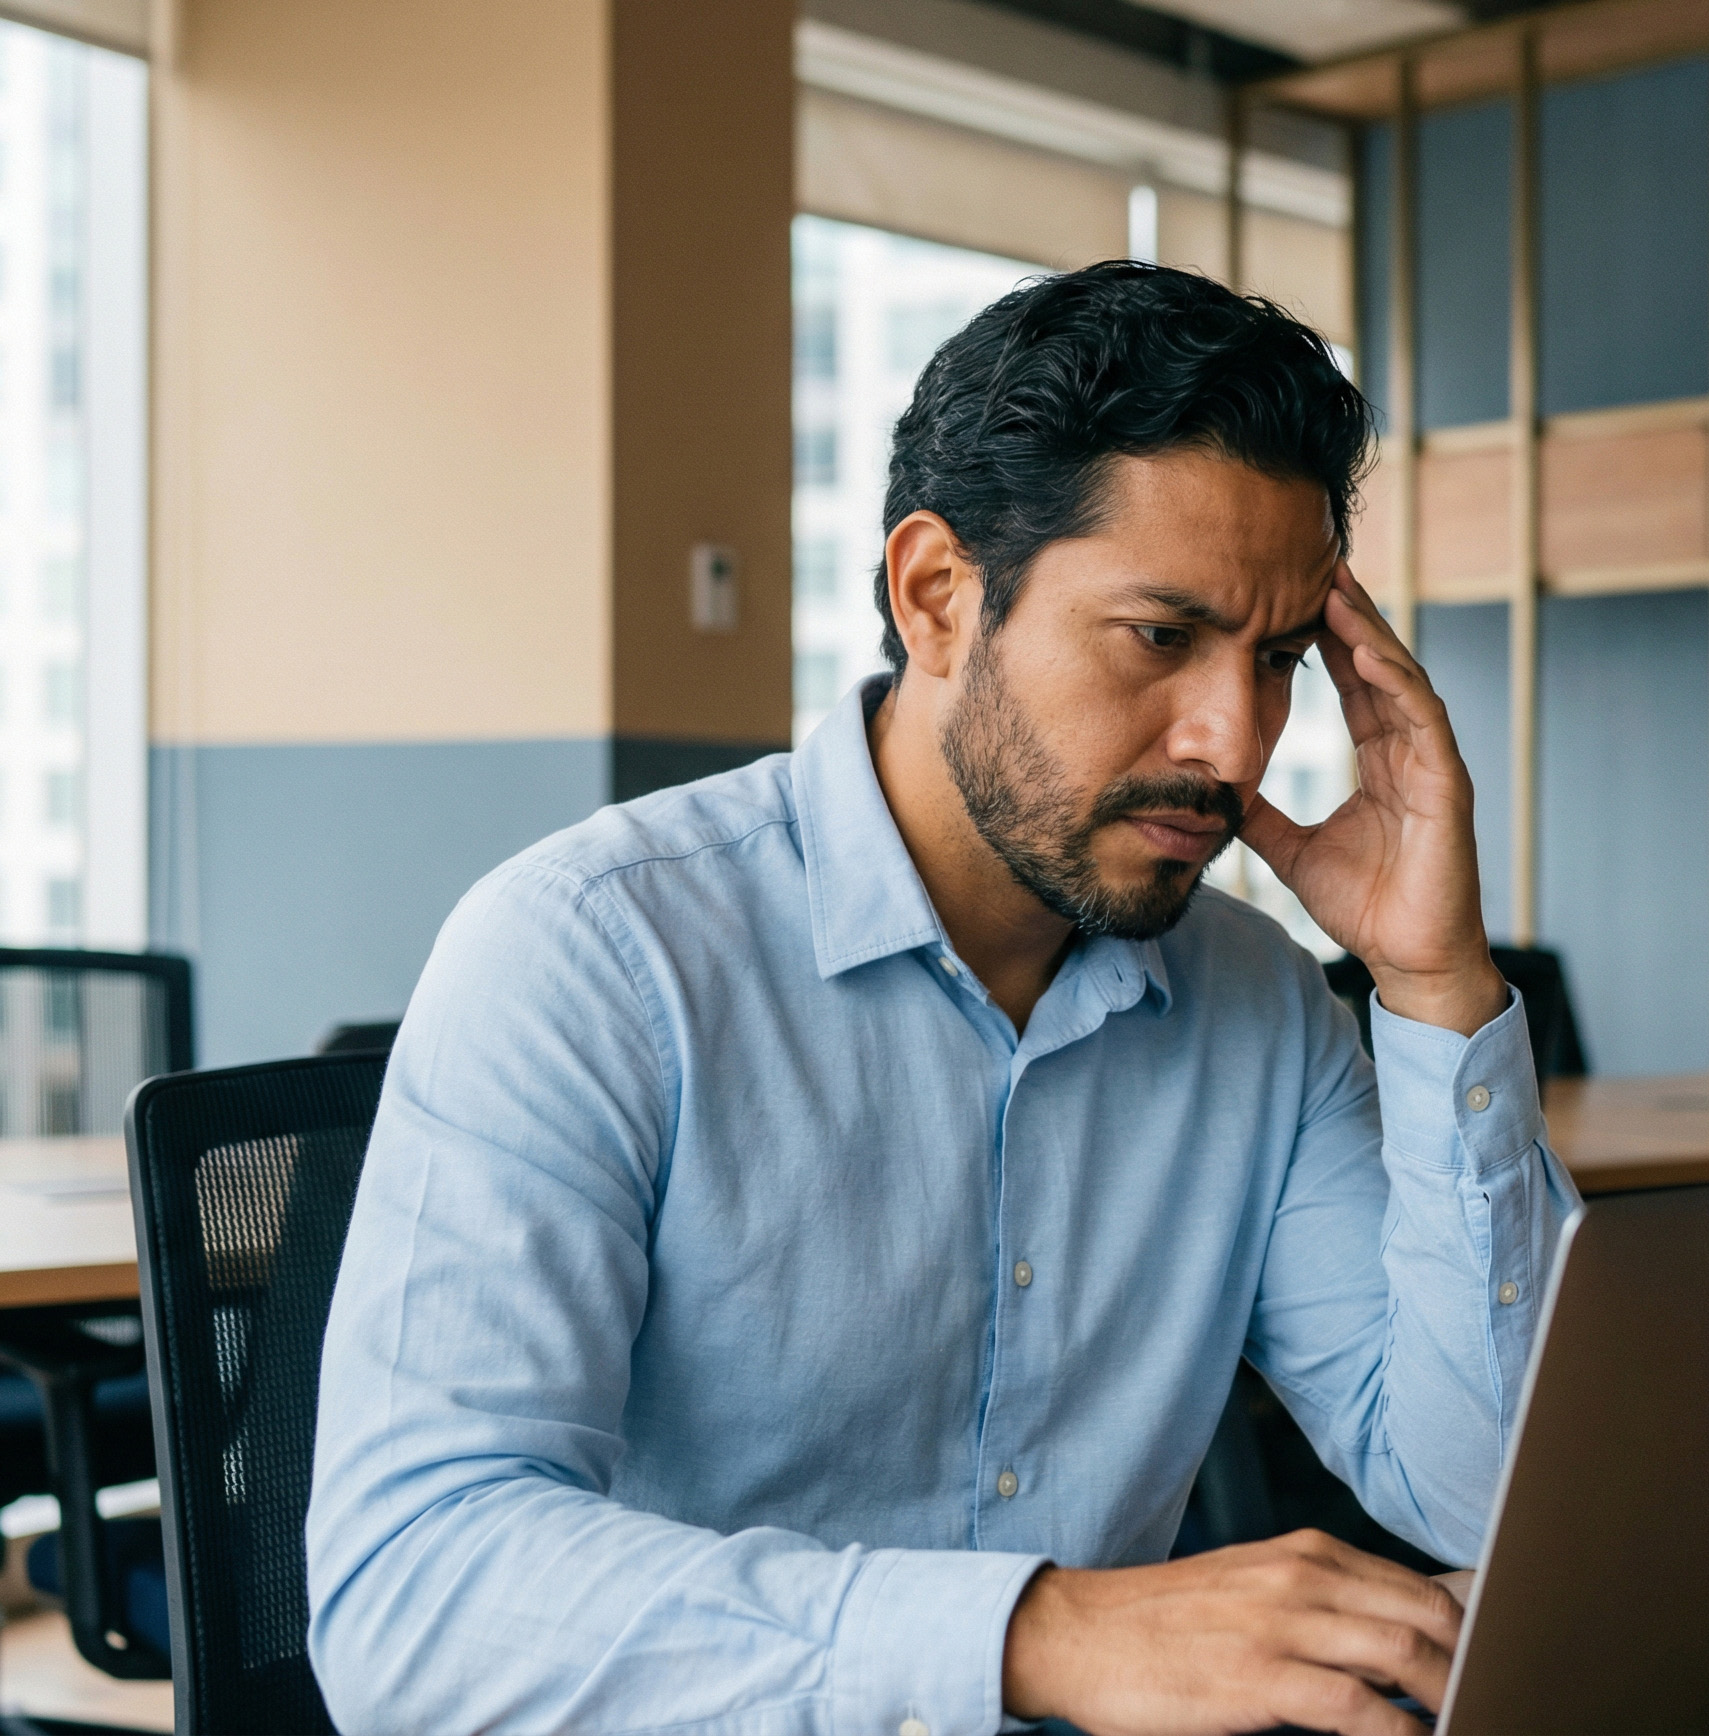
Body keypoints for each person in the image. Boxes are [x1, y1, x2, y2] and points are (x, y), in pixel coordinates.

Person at [307, 262, 1578, 1736]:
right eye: (1162, 638)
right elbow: (414, 1596)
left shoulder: (1263, 1012)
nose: (1236, 743)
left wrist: (1432, 982)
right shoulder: (594, 954)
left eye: (1279, 657)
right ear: (939, 596)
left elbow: (1479, 1488)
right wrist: (1028, 1635)